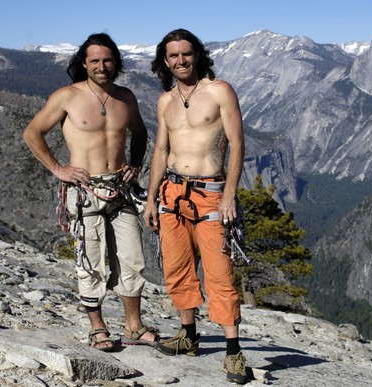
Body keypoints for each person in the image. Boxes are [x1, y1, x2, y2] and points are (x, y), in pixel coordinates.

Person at [23, 33, 158, 352]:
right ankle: (98, 328)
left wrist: (135, 164)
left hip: (121, 190)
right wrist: (58, 168)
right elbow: (32, 132)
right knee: (91, 261)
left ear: (116, 63)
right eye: (95, 60)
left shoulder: (126, 97)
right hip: (85, 192)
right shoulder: (67, 96)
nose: (102, 66)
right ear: (83, 63)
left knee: (133, 259)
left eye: (108, 60)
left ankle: (133, 326)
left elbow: (139, 132)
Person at [144, 28, 248, 384]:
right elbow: (161, 151)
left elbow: (237, 143)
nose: (180, 61)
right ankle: (188, 335)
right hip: (172, 193)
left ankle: (233, 352)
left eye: (186, 54)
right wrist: (151, 197)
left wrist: (230, 193)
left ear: (197, 54)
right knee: (177, 268)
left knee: (220, 273)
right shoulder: (165, 101)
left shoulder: (219, 91)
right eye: (173, 56)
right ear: (165, 61)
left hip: (211, 192)